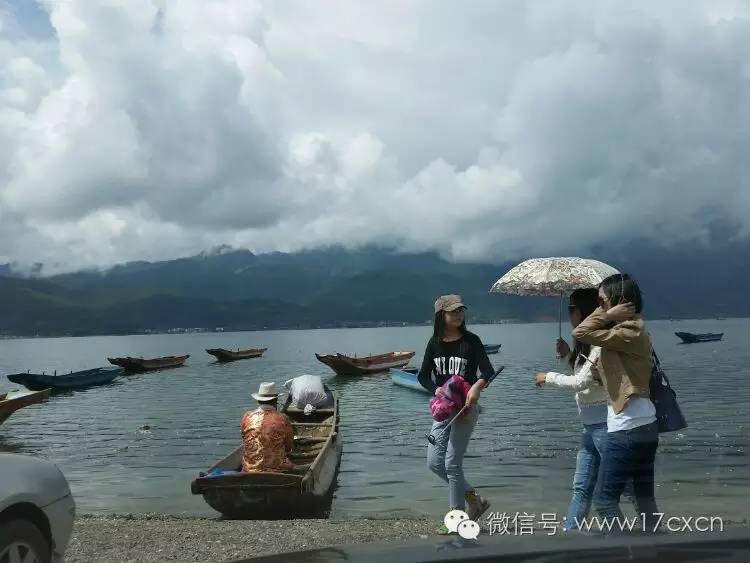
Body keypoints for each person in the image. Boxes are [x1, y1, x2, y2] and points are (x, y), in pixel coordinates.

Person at [534, 288, 635, 531]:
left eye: (572, 309)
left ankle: (637, 534)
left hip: (607, 425)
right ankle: (570, 536)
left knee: (625, 488)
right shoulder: (587, 344)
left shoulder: (601, 342)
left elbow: (581, 382)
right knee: (582, 487)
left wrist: (548, 377)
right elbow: (584, 376)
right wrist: (567, 355)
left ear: (585, 311)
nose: (570, 314)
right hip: (590, 427)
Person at [571, 273, 660, 532]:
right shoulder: (628, 331)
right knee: (644, 499)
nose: (600, 307)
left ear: (620, 301)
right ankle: (653, 546)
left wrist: (608, 314)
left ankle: (623, 547)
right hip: (643, 425)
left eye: (602, 301)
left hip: (627, 427)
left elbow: (581, 331)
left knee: (604, 500)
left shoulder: (629, 330)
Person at [418, 294, 494, 533]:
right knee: (434, 463)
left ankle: (456, 519)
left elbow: (488, 371)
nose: (459, 314)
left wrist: (476, 387)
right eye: (453, 311)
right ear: (441, 315)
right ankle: (475, 500)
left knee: (451, 464)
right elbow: (422, 376)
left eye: (461, 310)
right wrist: (437, 389)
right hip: (443, 411)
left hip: (465, 411)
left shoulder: (472, 341)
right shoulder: (434, 344)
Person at [241, 382, 295, 473]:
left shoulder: (247, 416)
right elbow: (288, 447)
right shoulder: (283, 418)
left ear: (258, 401)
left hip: (249, 469)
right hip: (277, 469)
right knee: (290, 464)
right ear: (275, 400)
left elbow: (244, 440)